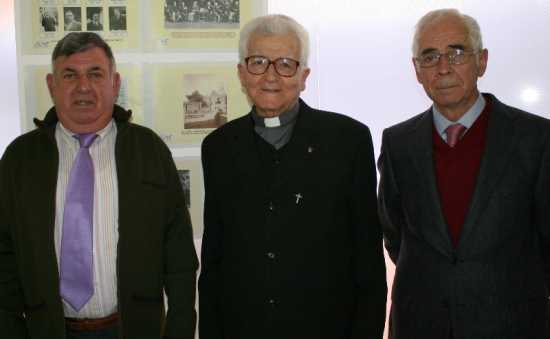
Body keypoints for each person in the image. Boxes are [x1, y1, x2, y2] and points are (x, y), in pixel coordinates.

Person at [199, 14, 387, 339]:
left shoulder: (348, 141)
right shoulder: (218, 148)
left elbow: (368, 263)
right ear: (242, 73)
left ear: (304, 76)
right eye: (258, 62)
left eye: (286, 63)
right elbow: (214, 261)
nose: (271, 75)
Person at [0, 32, 198, 339]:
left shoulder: (149, 150)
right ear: (52, 86)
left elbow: (180, 257)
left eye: (95, 74)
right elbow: (4, 257)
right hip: (48, 330)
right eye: (70, 75)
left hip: (132, 329)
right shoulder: (20, 159)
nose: (83, 86)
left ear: (114, 84)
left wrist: (179, 330)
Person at [378, 8, 550, 339]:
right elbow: (395, 233)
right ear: (417, 70)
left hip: (513, 324)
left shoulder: (537, 139)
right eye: (429, 57)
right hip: (420, 324)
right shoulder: (398, 143)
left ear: (481, 61)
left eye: (456, 53)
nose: (443, 68)